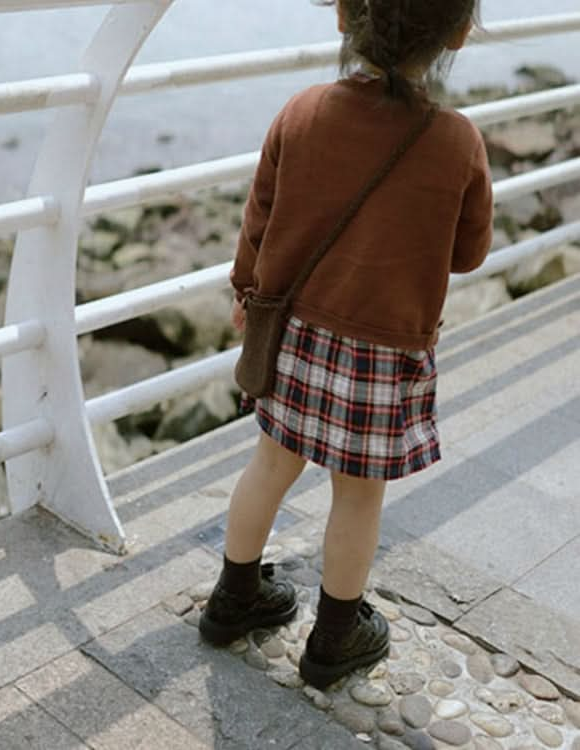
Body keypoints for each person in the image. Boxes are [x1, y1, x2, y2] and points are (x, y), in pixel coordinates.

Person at [198, 0, 493, 691]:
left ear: (341, 18)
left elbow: (258, 220)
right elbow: (469, 253)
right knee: (358, 496)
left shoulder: (301, 112)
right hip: (383, 351)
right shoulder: (456, 141)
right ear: (456, 32)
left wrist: (247, 290)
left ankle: (232, 600)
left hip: (296, 332)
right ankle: (335, 637)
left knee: (270, 465)